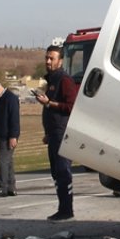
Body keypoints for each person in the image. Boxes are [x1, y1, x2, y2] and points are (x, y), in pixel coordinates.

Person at [37, 45, 77, 220]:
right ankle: (62, 208)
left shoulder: (64, 80)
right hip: (53, 133)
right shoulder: (52, 80)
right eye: (46, 58)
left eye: (51, 58)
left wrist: (49, 103)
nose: (48, 61)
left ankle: (67, 210)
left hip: (62, 133)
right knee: (56, 172)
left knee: (62, 171)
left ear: (60, 61)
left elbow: (71, 106)